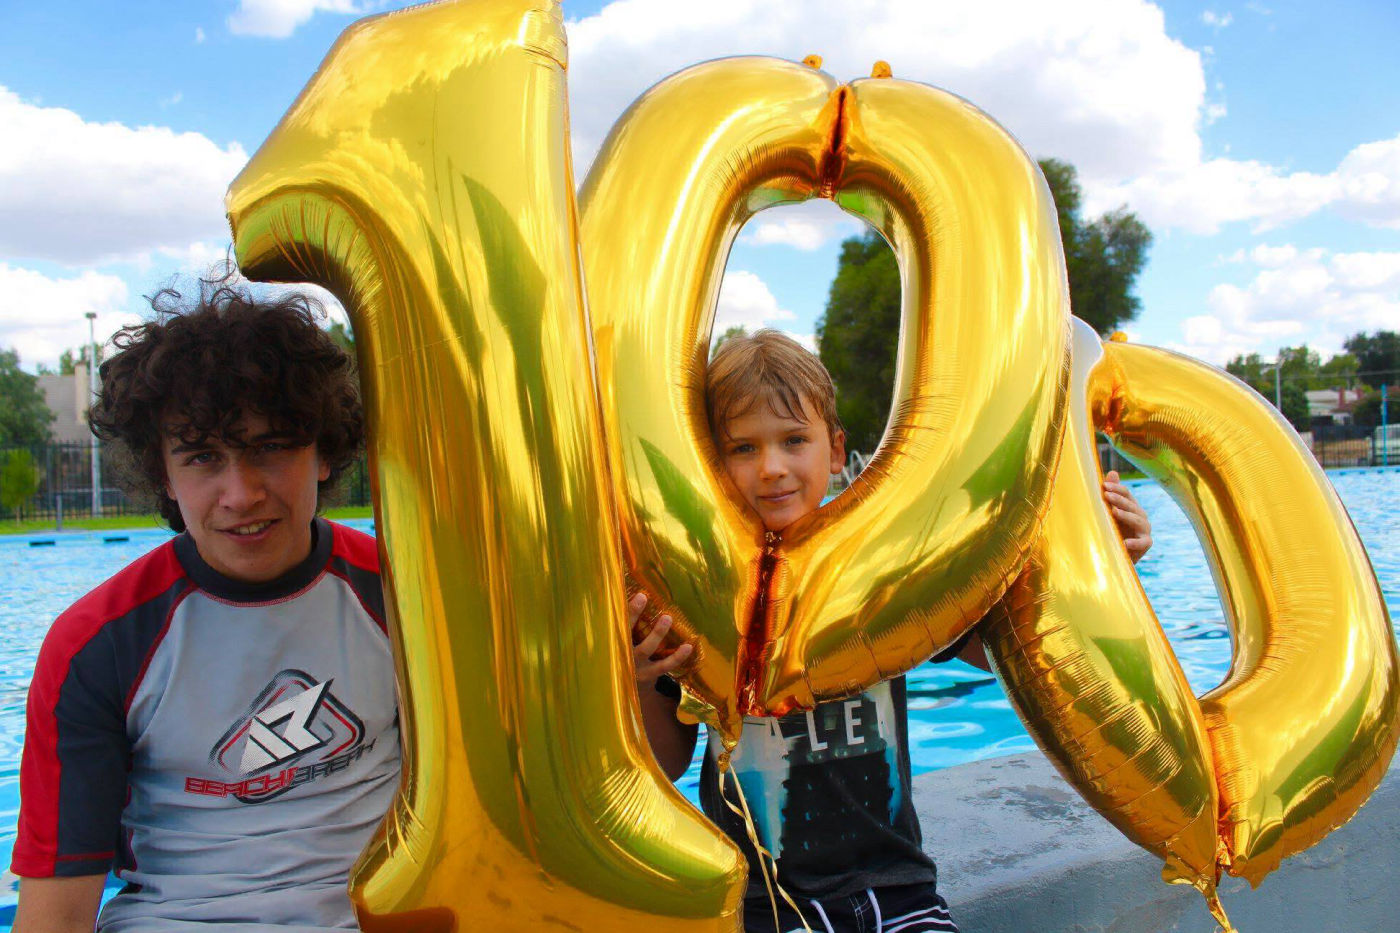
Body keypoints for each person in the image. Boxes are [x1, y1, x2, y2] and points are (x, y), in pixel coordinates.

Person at [632, 329, 1153, 933]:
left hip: (898, 889)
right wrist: (646, 680)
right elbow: (667, 762)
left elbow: (1006, 654)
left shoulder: (875, 570)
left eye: (793, 440)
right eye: (742, 448)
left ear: (835, 451)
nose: (770, 468)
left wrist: (1104, 568)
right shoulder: (701, 594)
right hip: (763, 909)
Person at [11, 281, 401, 932]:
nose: (240, 493)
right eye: (202, 457)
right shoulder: (98, 643)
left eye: (270, 447)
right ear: (163, 474)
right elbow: (57, 913)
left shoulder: (405, 598)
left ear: (325, 451)